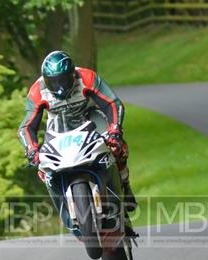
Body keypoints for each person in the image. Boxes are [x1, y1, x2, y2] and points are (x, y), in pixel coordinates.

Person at [17, 50, 138, 235]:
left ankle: (124, 182)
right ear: (45, 79)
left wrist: (114, 130)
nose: (59, 87)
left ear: (73, 73)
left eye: (63, 79)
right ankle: (67, 210)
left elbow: (112, 104)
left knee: (117, 146)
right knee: (44, 167)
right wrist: (32, 150)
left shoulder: (87, 78)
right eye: (53, 81)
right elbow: (26, 126)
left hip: (90, 117)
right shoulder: (37, 91)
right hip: (59, 126)